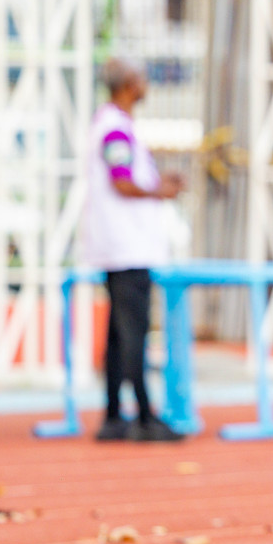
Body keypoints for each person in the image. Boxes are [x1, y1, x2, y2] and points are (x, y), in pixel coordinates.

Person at [83, 59, 185, 443]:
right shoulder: (114, 129)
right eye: (141, 77)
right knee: (133, 333)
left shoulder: (114, 127)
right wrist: (161, 191)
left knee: (118, 334)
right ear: (128, 84)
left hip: (120, 246)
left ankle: (114, 414)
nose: (146, 83)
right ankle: (143, 416)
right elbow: (121, 183)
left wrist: (157, 183)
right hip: (127, 248)